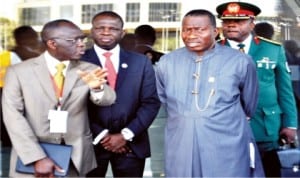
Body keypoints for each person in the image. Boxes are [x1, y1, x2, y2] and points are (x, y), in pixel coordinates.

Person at [155, 9, 264, 177]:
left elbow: (248, 104)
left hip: (227, 142)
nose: (191, 35)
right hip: (182, 142)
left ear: (215, 32)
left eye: (200, 29)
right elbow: (165, 100)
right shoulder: (167, 62)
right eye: (187, 29)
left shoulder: (239, 61)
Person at [2, 19, 116, 177]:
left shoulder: (89, 70)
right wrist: (37, 157)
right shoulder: (19, 72)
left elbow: (108, 99)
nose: (81, 44)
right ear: (52, 43)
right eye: (73, 40)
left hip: (75, 158)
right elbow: (13, 117)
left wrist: (97, 87)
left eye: (82, 39)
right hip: (31, 159)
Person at [216, 1, 298, 177]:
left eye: (238, 21)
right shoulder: (213, 50)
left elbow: (284, 90)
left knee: (268, 171)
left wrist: (290, 123)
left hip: (265, 125)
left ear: (252, 23)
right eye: (226, 21)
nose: (231, 24)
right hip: (224, 127)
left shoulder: (272, 49)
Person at [81, 11, 161, 177]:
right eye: (100, 28)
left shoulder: (140, 62)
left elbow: (150, 102)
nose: (106, 32)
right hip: (90, 143)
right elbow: (74, 105)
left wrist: (126, 134)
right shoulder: (78, 61)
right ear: (92, 31)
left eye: (113, 28)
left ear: (122, 33)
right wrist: (103, 135)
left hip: (131, 143)